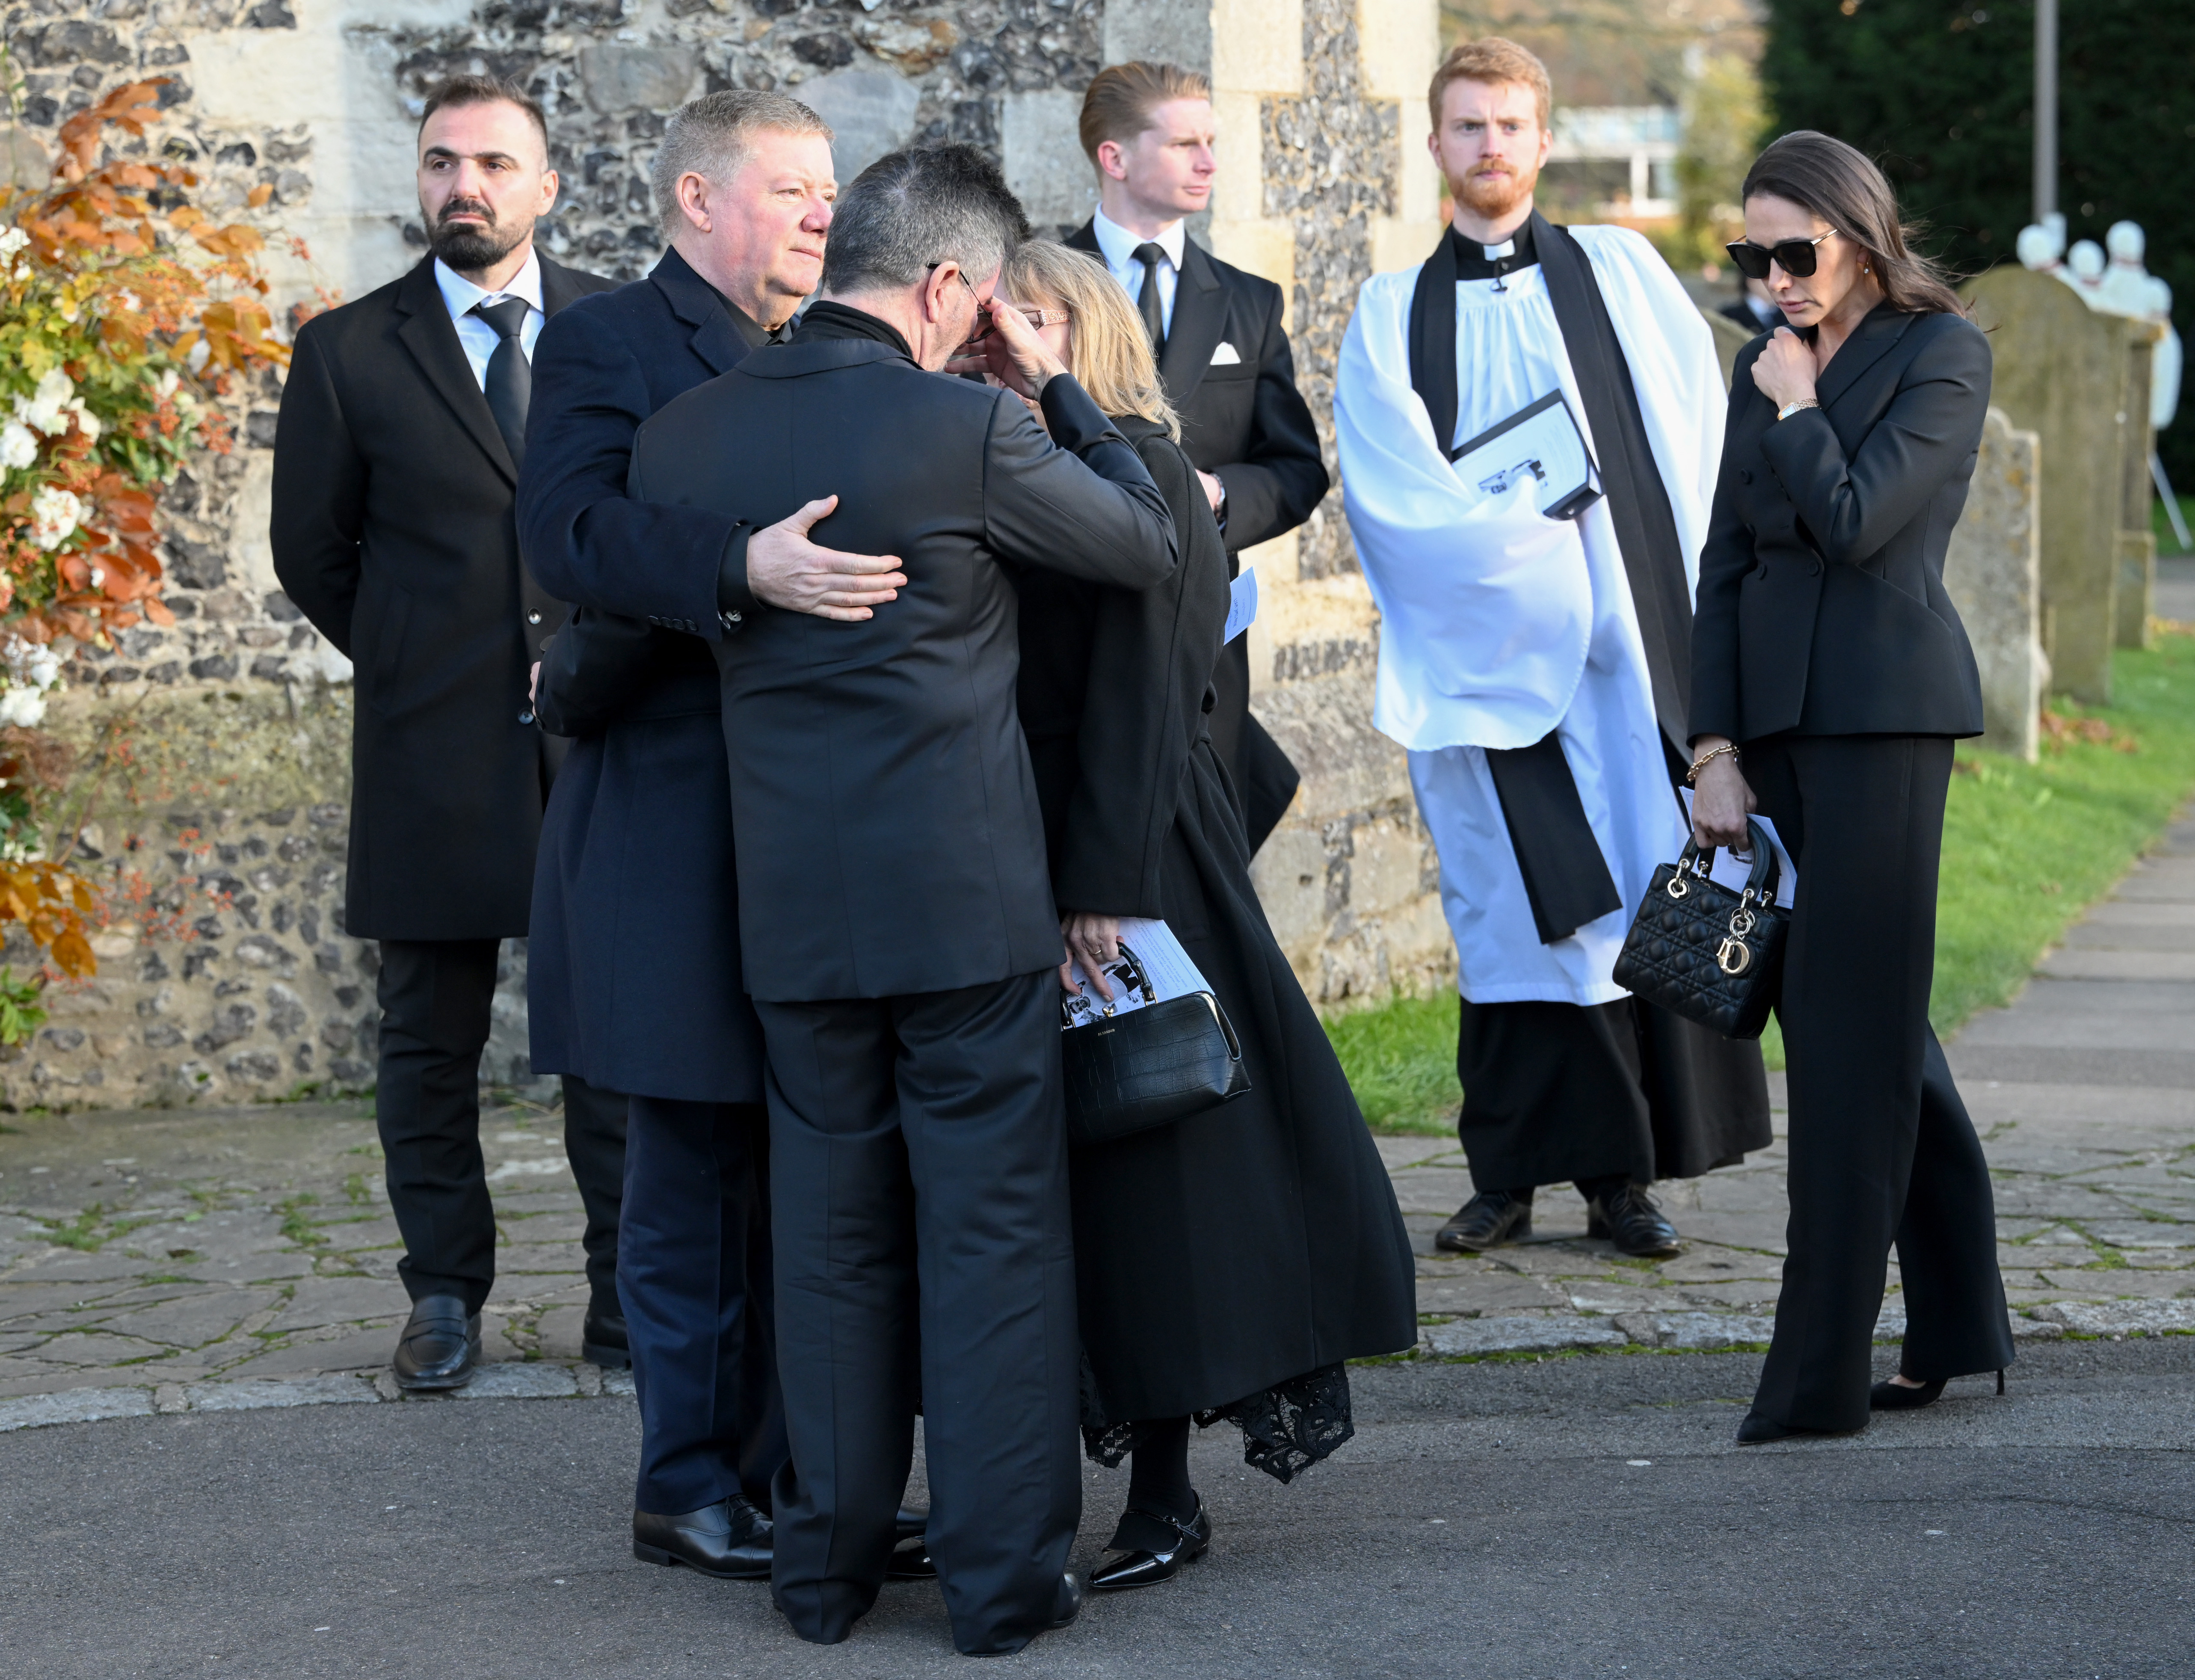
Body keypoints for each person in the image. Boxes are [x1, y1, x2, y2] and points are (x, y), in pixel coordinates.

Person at [612, 146, 1177, 1656]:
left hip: (791, 913)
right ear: (945, 289)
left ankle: (825, 1573)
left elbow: (615, 619)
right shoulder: (968, 431)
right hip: (969, 909)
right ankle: (998, 1584)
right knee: (991, 1236)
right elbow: (1152, 542)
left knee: (828, 1237)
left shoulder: (684, 438)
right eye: (978, 302)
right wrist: (1055, 388)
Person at [517, 91, 918, 1585]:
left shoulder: (829, 349)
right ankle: (685, 1486)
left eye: (831, 192)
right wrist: (735, 566)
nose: (824, 214)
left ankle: (797, 1480)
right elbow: (566, 536)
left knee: (793, 1181)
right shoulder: (609, 342)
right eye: (792, 189)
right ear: (698, 195)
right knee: (685, 1177)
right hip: (668, 833)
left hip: (810, 832)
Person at [998, 239, 1418, 1591]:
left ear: (1078, 330)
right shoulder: (1007, 456)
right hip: (1035, 845)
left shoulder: (1140, 463)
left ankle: (1164, 1496)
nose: (992, 344)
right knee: (1056, 1171)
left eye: (1023, 321)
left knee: (1158, 1158)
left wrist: (1099, 890)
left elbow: (1135, 695)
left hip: (1127, 851)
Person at [1333, 39, 1769, 1260]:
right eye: (1465, 126)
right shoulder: (1387, 315)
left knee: (1636, 893)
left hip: (1633, 655)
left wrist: (1665, 607)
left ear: (1539, 141)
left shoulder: (1624, 273)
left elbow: (1692, 434)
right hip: (1488, 666)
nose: (1488, 147)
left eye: (1508, 126)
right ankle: (1507, 1175)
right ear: (1433, 145)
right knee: (1515, 916)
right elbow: (1388, 495)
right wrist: (1522, 548)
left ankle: (1624, 1184)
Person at [270, 74, 628, 1392]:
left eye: (490, 162)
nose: (461, 186)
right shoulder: (350, 351)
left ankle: (625, 1292)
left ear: (546, 185)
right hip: (433, 750)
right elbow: (312, 551)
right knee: (429, 1042)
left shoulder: (618, 327)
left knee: (613, 1030)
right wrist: (424, 657)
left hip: (606, 739)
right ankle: (442, 1295)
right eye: (439, 163)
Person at [1687, 130, 2014, 1444]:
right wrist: (1710, 751)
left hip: (1883, 729)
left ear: (1859, 235)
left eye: (1794, 251)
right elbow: (1721, 565)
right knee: (1875, 1034)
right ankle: (1958, 1327)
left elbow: (1859, 520)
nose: (1771, 276)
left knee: (1840, 1050)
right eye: (1750, 253)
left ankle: (1816, 1375)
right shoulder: (1759, 361)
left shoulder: (1942, 354)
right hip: (1769, 737)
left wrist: (1797, 403)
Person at [1065, 61, 1328, 853]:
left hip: (1207, 632)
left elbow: (1297, 469)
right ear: (1115, 158)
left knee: (1212, 859)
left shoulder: (1249, 301)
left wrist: (1217, 494)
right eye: (1185, 144)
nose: (1210, 161)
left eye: (1212, 142)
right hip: (1073, 619)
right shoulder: (1041, 285)